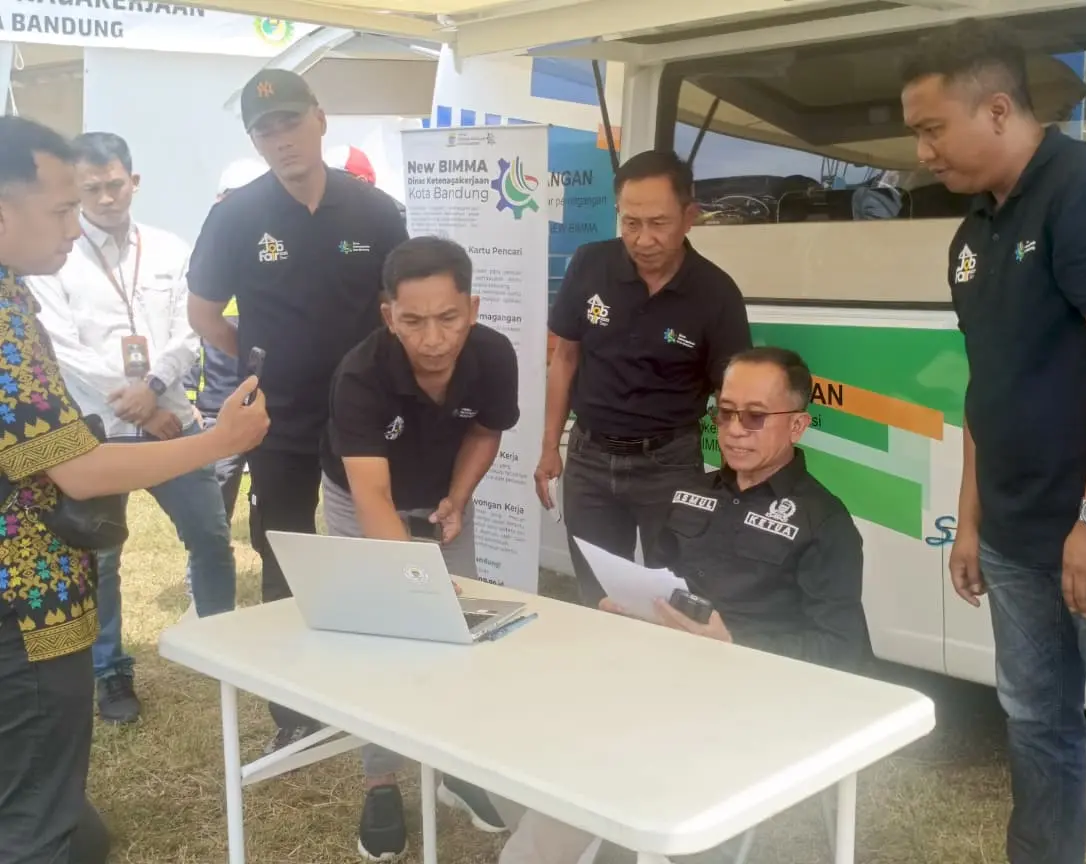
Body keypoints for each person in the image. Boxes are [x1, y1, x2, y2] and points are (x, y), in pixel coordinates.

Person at [901, 19, 1086, 864]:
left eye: (933, 128)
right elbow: (988, 389)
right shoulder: (973, 234)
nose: (923, 151)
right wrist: (971, 523)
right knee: (1037, 727)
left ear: (998, 109)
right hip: (1016, 542)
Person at [0, 114, 268, 864]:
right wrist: (220, 441)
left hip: (34, 588)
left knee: (56, 807)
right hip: (21, 605)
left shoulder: (18, 290)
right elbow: (77, 469)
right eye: (60, 208)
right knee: (39, 824)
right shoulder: (5, 313)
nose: (73, 223)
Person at [498, 346, 870, 864]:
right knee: (546, 732)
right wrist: (632, 612)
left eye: (755, 416)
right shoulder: (690, 493)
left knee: (606, 767)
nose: (735, 428)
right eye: (725, 411)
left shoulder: (824, 523)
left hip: (753, 702)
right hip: (663, 680)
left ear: (797, 426)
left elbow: (844, 651)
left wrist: (736, 645)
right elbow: (664, 589)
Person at [186, 69, 409, 754]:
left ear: (320, 120)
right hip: (277, 418)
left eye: (289, 122)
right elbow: (203, 312)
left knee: (371, 540)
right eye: (265, 131)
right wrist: (256, 361)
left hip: (362, 417)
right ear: (255, 141)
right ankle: (293, 702)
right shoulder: (236, 216)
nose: (280, 140)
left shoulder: (374, 212)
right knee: (282, 546)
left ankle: (374, 674)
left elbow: (400, 304)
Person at [26, 132, 236, 725]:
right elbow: (62, 349)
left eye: (114, 183)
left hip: (173, 416)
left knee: (210, 537)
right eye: (89, 189)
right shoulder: (56, 257)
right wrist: (137, 405)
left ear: (134, 181)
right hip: (99, 428)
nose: (104, 197)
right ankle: (109, 670)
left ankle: (222, 646)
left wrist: (156, 387)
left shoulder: (168, 248)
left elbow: (188, 330)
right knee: (103, 556)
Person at [322, 235, 519, 861]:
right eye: (413, 321)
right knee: (383, 637)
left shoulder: (493, 356)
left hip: (439, 498)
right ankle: (382, 782)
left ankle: (453, 763)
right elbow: (372, 497)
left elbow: (486, 431)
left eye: (448, 319)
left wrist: (459, 498)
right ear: (389, 316)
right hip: (364, 500)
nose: (433, 339)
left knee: (457, 636)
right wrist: (415, 577)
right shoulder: (359, 373)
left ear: (474, 308)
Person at [533, 150, 751, 606]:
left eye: (658, 223)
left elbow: (729, 396)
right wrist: (550, 446)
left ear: (689, 217)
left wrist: (736, 478)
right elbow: (566, 356)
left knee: (672, 599)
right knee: (596, 596)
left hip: (669, 465)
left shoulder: (716, 293)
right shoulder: (591, 264)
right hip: (590, 460)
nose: (643, 238)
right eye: (630, 223)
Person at [183, 157, 268, 524]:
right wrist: (188, 402)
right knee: (211, 518)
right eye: (233, 198)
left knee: (270, 509)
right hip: (217, 409)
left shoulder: (277, 259)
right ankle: (201, 582)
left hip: (267, 407)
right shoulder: (207, 261)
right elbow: (188, 336)